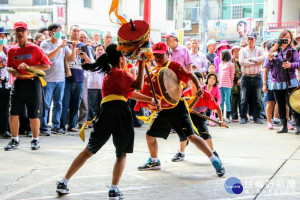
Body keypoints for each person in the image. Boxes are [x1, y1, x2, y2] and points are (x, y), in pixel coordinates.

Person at [56, 43, 148, 199]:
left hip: (105, 112)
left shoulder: (110, 75)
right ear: (121, 59)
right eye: (124, 57)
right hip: (120, 112)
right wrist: (141, 63)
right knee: (121, 153)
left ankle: (63, 182)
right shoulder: (121, 73)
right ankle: (113, 189)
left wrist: (151, 100)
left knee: (89, 150)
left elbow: (129, 93)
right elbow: (138, 86)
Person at [135, 42, 225, 177]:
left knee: (192, 136)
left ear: (167, 54)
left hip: (178, 107)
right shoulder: (154, 70)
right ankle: (154, 161)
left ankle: (214, 160)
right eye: (155, 56)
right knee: (150, 135)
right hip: (163, 110)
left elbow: (191, 75)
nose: (157, 58)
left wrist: (199, 87)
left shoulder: (174, 65)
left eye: (160, 55)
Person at [4, 22, 51, 151]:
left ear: (27, 33)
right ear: (14, 33)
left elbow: (47, 65)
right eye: (17, 31)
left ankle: (35, 140)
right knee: (13, 113)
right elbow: (8, 66)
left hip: (33, 82)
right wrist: (12, 71)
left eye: (22, 30)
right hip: (18, 83)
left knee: (34, 114)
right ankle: (14, 140)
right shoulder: (11, 50)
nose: (20, 33)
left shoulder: (35, 48)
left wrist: (29, 68)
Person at [171, 71, 227, 164]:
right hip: (187, 116)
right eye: (194, 80)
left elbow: (217, 108)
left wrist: (221, 120)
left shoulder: (206, 94)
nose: (197, 83)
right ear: (190, 82)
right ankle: (181, 153)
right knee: (183, 136)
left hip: (201, 116)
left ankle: (213, 153)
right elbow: (182, 108)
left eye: (199, 80)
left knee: (206, 135)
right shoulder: (186, 93)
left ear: (201, 82)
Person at [39, 23, 76, 136]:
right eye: (56, 30)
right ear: (50, 32)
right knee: (45, 104)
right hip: (47, 79)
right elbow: (46, 57)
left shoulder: (62, 43)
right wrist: (60, 47)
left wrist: (73, 48)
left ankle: (56, 126)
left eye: (60, 30)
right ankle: (43, 126)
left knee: (58, 104)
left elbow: (72, 59)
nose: (59, 32)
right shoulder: (45, 44)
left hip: (61, 79)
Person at [264, 30, 300, 134]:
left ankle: (298, 126)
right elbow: (267, 66)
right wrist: (270, 60)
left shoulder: (293, 50)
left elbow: (298, 63)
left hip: (290, 80)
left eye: (289, 37)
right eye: (285, 37)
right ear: (280, 38)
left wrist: (290, 65)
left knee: (292, 103)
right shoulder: (273, 50)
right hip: (277, 81)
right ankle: (284, 126)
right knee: (280, 104)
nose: (287, 40)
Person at [60, 25, 92, 132]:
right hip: (66, 77)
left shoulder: (84, 46)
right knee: (64, 103)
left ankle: (72, 125)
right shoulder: (65, 45)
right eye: (74, 31)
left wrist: (85, 56)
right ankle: (62, 124)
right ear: (70, 32)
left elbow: (89, 63)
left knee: (76, 103)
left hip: (79, 78)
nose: (76, 33)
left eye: (78, 31)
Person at [239, 32, 265, 124]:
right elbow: (241, 62)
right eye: (248, 39)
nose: (250, 41)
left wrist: (250, 60)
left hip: (257, 76)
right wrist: (255, 62)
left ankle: (257, 117)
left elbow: (263, 59)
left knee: (257, 98)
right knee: (243, 99)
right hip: (245, 77)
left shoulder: (260, 49)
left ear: (255, 40)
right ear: (246, 40)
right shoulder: (242, 50)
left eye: (252, 39)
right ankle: (243, 117)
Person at [87, 44, 105, 127]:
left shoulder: (106, 63)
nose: (100, 51)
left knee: (100, 105)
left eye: (101, 50)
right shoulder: (91, 61)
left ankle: (99, 120)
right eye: (98, 50)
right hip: (92, 86)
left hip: (102, 87)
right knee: (91, 105)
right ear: (94, 52)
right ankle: (90, 120)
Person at [0, 26, 11, 138]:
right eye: (0, 36)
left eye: (4, 36)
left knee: (5, 108)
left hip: (5, 84)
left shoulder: (8, 51)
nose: (2, 38)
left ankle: (4, 129)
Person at [219, 49, 235, 122]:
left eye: (221, 55)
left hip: (227, 85)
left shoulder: (231, 64)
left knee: (227, 101)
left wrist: (231, 84)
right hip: (220, 85)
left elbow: (232, 75)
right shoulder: (220, 64)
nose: (220, 56)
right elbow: (219, 75)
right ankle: (221, 117)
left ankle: (228, 117)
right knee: (221, 101)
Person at [231, 45, 242, 122]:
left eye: (237, 50)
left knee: (242, 100)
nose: (236, 52)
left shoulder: (243, 60)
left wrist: (241, 78)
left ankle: (243, 115)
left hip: (243, 82)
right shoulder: (231, 62)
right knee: (234, 100)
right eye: (234, 51)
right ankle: (234, 116)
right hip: (233, 83)